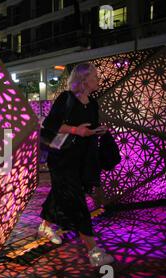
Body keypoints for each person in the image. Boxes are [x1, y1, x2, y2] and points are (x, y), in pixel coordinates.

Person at [38, 62, 114, 267]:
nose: (98, 79)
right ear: (84, 79)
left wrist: (99, 130)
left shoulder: (93, 102)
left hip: (83, 161)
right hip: (63, 160)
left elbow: (89, 125)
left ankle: (44, 226)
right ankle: (93, 251)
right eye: (95, 76)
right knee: (77, 202)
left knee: (60, 193)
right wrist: (76, 130)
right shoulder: (66, 99)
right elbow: (50, 126)